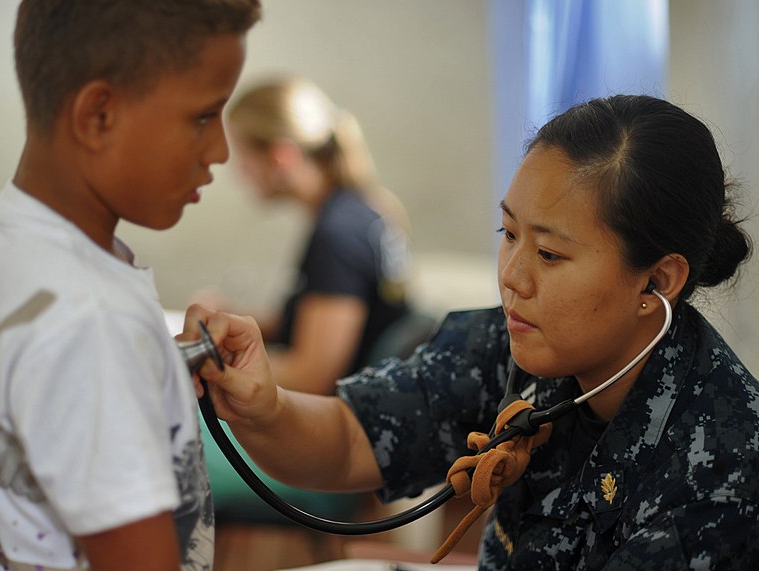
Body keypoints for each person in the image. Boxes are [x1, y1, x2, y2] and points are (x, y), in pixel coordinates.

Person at [183, 94, 758, 569]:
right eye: (509, 234)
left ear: (657, 279)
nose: (512, 277)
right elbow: (351, 438)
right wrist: (265, 409)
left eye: (551, 254)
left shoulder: (725, 468)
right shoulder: (510, 350)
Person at [0, 1, 260, 570]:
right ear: (98, 116)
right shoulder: (93, 321)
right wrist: (121, 367)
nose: (218, 151)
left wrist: (148, 377)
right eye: (202, 116)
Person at [221, 77, 415, 395]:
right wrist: (238, 320)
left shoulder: (338, 235)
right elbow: (318, 321)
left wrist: (212, 364)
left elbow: (311, 377)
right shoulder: (359, 209)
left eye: (242, 156)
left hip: (347, 419)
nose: (239, 173)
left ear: (280, 156)